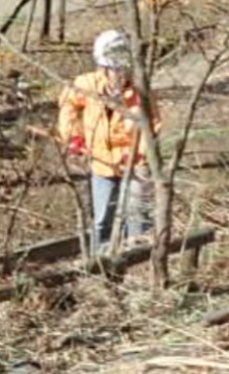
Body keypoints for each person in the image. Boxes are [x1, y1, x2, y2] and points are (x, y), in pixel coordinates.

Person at [58, 30, 156, 254]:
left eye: (123, 68)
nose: (119, 74)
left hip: (135, 165)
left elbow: (153, 125)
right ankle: (102, 261)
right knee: (103, 219)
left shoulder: (140, 91)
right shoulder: (87, 85)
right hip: (101, 164)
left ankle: (137, 261)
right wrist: (74, 137)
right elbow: (67, 105)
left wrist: (138, 154)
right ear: (102, 68)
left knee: (138, 218)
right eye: (114, 69)